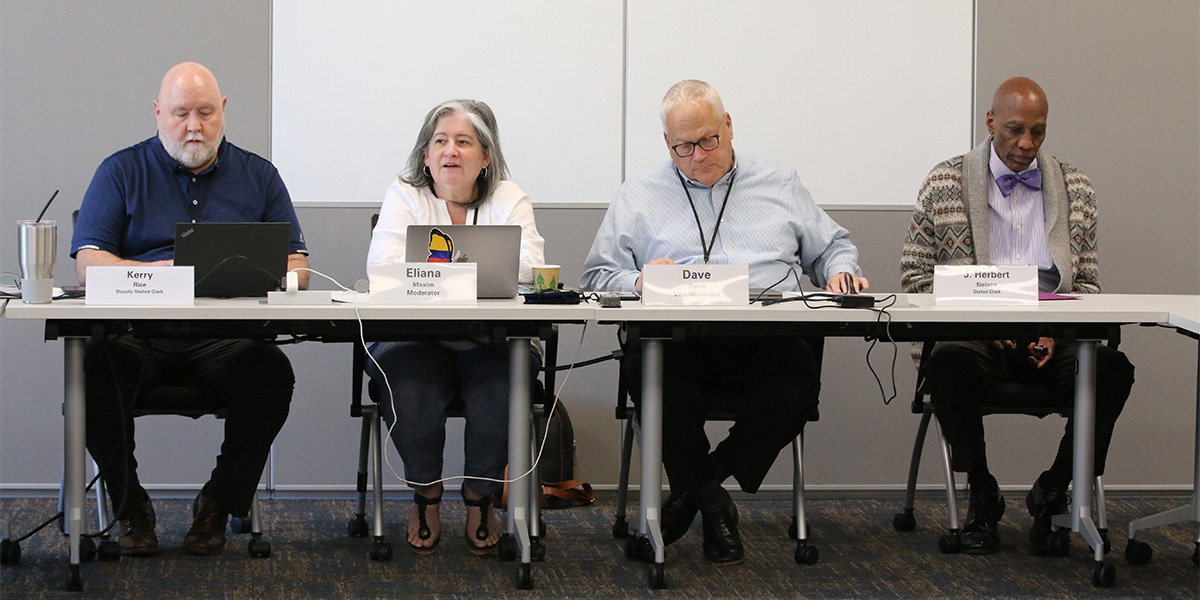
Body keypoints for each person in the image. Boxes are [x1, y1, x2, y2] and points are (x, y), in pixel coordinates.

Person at [580, 80, 867, 564]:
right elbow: (597, 276)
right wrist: (639, 282)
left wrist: (841, 269)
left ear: (729, 126)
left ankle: (692, 498)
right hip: (678, 342)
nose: (697, 156)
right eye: (683, 147)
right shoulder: (638, 195)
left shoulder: (779, 182)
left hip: (765, 339)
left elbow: (832, 245)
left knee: (796, 390)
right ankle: (714, 505)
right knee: (649, 379)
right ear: (667, 144)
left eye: (708, 140)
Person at [70, 62, 309, 556]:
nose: (194, 126)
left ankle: (217, 503)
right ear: (159, 113)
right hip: (135, 335)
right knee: (90, 374)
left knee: (271, 375)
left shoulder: (260, 176)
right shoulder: (120, 171)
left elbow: (299, 265)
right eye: (180, 114)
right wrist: (164, 274)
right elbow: (88, 265)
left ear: (223, 111)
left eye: (204, 112)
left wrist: (277, 278)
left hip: (228, 339)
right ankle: (130, 504)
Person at [900, 77, 1135, 555]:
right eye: (1014, 130)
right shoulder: (945, 181)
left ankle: (1053, 488)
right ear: (990, 122)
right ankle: (982, 492)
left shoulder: (1076, 186)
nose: (1026, 144)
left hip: (1052, 335)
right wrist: (985, 320)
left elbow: (1088, 286)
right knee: (947, 363)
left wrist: (1053, 331)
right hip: (975, 336)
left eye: (1038, 131)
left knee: (1113, 370)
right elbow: (914, 278)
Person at [364, 99, 545, 555]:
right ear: (425, 155)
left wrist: (442, 269)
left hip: (489, 339)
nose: (451, 151)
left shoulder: (509, 197)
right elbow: (382, 267)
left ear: (485, 156)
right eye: (439, 141)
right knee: (410, 386)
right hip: (413, 338)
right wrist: (477, 268)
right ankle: (425, 494)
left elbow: (530, 267)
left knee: (503, 389)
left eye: (464, 142)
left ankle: (479, 498)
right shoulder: (405, 195)